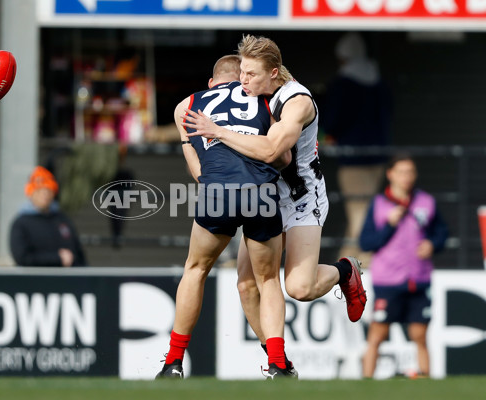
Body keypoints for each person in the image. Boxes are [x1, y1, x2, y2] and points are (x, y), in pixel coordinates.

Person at [182, 35, 367, 338]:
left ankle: (346, 271)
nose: (243, 80)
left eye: (251, 74)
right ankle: (276, 361)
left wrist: (218, 131)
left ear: (273, 72)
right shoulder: (247, 92)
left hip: (300, 197)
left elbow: (271, 152)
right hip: (263, 195)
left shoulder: (296, 101)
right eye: (241, 71)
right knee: (245, 284)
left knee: (299, 288)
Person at [156, 55, 296, 379]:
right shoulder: (268, 100)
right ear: (245, 78)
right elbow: (283, 156)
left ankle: (174, 363)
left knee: (195, 269)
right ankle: (277, 364)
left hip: (217, 192)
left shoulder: (188, 105)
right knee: (269, 280)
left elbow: (199, 172)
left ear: (211, 83)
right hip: (260, 193)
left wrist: (189, 144)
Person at [359, 154, 448, 378]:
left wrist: (432, 244)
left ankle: (426, 380)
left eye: (410, 172)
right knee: (377, 335)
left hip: (419, 277)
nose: (406, 177)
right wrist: (389, 225)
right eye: (401, 172)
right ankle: (366, 381)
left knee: (419, 334)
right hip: (388, 280)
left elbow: (442, 233)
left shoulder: (426, 202)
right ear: (390, 174)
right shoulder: (379, 204)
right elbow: (366, 242)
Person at [321, 32, 393, 264]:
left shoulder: (342, 84)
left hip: (352, 159)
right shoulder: (378, 81)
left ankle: (357, 265)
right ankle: (354, 262)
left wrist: (326, 136)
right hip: (378, 156)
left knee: (358, 213)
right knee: (365, 210)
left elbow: (332, 120)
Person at [10, 166, 87, 267]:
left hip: (66, 279)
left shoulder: (62, 219)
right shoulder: (21, 223)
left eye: (48, 191)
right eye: (40, 191)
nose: (45, 195)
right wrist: (57, 258)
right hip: (35, 280)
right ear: (30, 193)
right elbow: (22, 258)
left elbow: (78, 253)